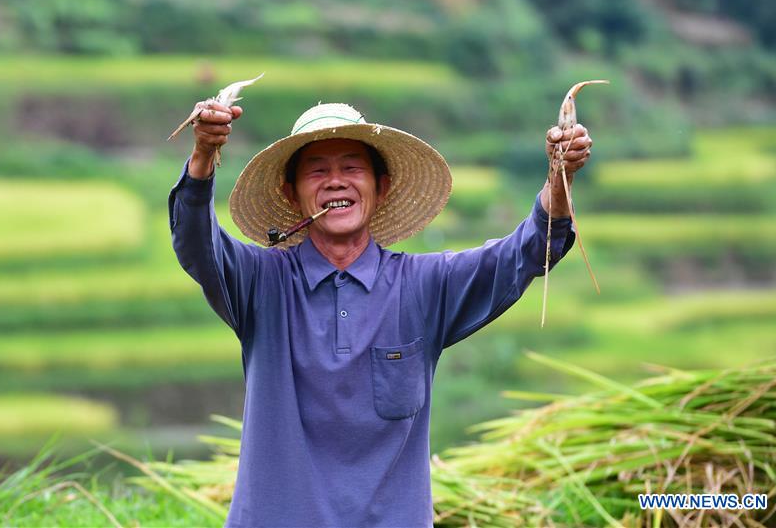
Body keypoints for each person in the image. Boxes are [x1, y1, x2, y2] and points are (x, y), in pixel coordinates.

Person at [169, 101, 591, 527]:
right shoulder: (261, 283)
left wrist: (559, 178)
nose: (336, 181)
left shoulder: (424, 286)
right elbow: (197, 244)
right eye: (317, 170)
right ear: (291, 194)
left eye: (352, 167)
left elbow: (524, 252)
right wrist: (203, 155)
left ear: (382, 187)